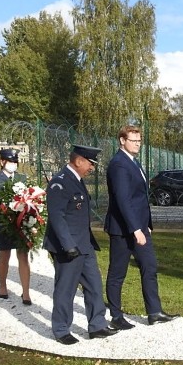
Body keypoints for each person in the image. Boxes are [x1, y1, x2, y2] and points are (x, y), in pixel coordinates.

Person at [104, 125, 179, 327]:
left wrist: (146, 225)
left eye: (139, 141)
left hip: (140, 226)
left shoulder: (133, 162)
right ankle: (116, 316)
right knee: (118, 272)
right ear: (122, 140)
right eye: (133, 140)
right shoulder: (119, 164)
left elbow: (140, 199)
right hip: (123, 228)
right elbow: (123, 199)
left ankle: (154, 312)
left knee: (149, 266)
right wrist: (136, 229)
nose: (137, 144)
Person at [43, 145, 114, 345]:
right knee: (66, 289)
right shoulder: (60, 182)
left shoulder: (77, 181)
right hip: (68, 247)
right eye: (90, 163)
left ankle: (97, 325)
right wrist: (68, 245)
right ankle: (61, 329)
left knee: (94, 285)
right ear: (79, 161)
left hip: (84, 245)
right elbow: (57, 216)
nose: (92, 167)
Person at [0, 147, 32, 305]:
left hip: (21, 223)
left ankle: (25, 292)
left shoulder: (23, 178)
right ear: (2, 162)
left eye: (15, 161)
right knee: (4, 256)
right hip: (3, 224)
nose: (13, 164)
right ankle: (3, 286)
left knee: (23, 257)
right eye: (10, 161)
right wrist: (6, 201)